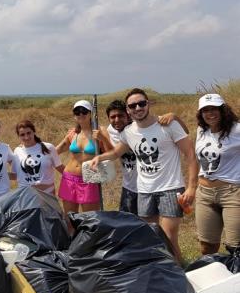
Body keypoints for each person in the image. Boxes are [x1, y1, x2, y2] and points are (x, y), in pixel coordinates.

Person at [91, 88, 198, 262]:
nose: (138, 108)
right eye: (133, 105)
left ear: (148, 104)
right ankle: (160, 277)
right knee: (150, 239)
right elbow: (117, 152)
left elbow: (191, 154)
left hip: (170, 189)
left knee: (168, 239)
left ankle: (180, 277)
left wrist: (192, 187)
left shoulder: (168, 125)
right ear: (128, 109)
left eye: (141, 103)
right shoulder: (129, 132)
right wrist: (99, 157)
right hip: (145, 191)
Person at [103, 100, 189, 215]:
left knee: (154, 226)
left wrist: (174, 117)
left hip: (150, 187)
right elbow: (113, 153)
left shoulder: (141, 127)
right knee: (127, 224)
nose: (117, 120)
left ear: (128, 114)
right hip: (129, 187)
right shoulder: (111, 131)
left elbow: (184, 132)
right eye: (113, 117)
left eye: (121, 116)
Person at [195, 93, 240, 255]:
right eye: (205, 110)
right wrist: (173, 117)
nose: (210, 113)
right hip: (204, 195)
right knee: (207, 246)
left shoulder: (236, 130)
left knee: (235, 247)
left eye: (214, 109)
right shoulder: (202, 130)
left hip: (232, 194)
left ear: (223, 110)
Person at [56, 100, 113, 220]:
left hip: (89, 179)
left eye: (84, 111)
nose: (80, 114)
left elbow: (112, 154)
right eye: (77, 112)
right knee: (69, 219)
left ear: (90, 113)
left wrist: (103, 139)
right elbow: (56, 150)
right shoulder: (73, 133)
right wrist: (31, 147)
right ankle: (71, 239)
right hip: (69, 179)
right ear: (74, 115)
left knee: (90, 220)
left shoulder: (100, 131)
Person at [13, 120, 64, 194]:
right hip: (25, 196)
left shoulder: (48, 147)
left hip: (47, 193)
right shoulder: (17, 151)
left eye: (28, 133)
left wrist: (78, 177)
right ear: (18, 136)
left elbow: (61, 168)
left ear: (34, 132)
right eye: (22, 135)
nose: (26, 137)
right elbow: (15, 175)